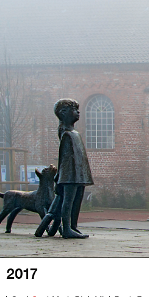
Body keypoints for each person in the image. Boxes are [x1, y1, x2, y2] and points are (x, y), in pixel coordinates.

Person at [35, 99, 93, 239]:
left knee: (77, 200)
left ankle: (73, 226)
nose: (78, 112)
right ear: (63, 113)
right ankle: (67, 228)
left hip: (79, 174)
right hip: (70, 175)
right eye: (74, 109)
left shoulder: (75, 133)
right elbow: (64, 157)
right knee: (67, 202)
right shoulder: (66, 134)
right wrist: (60, 177)